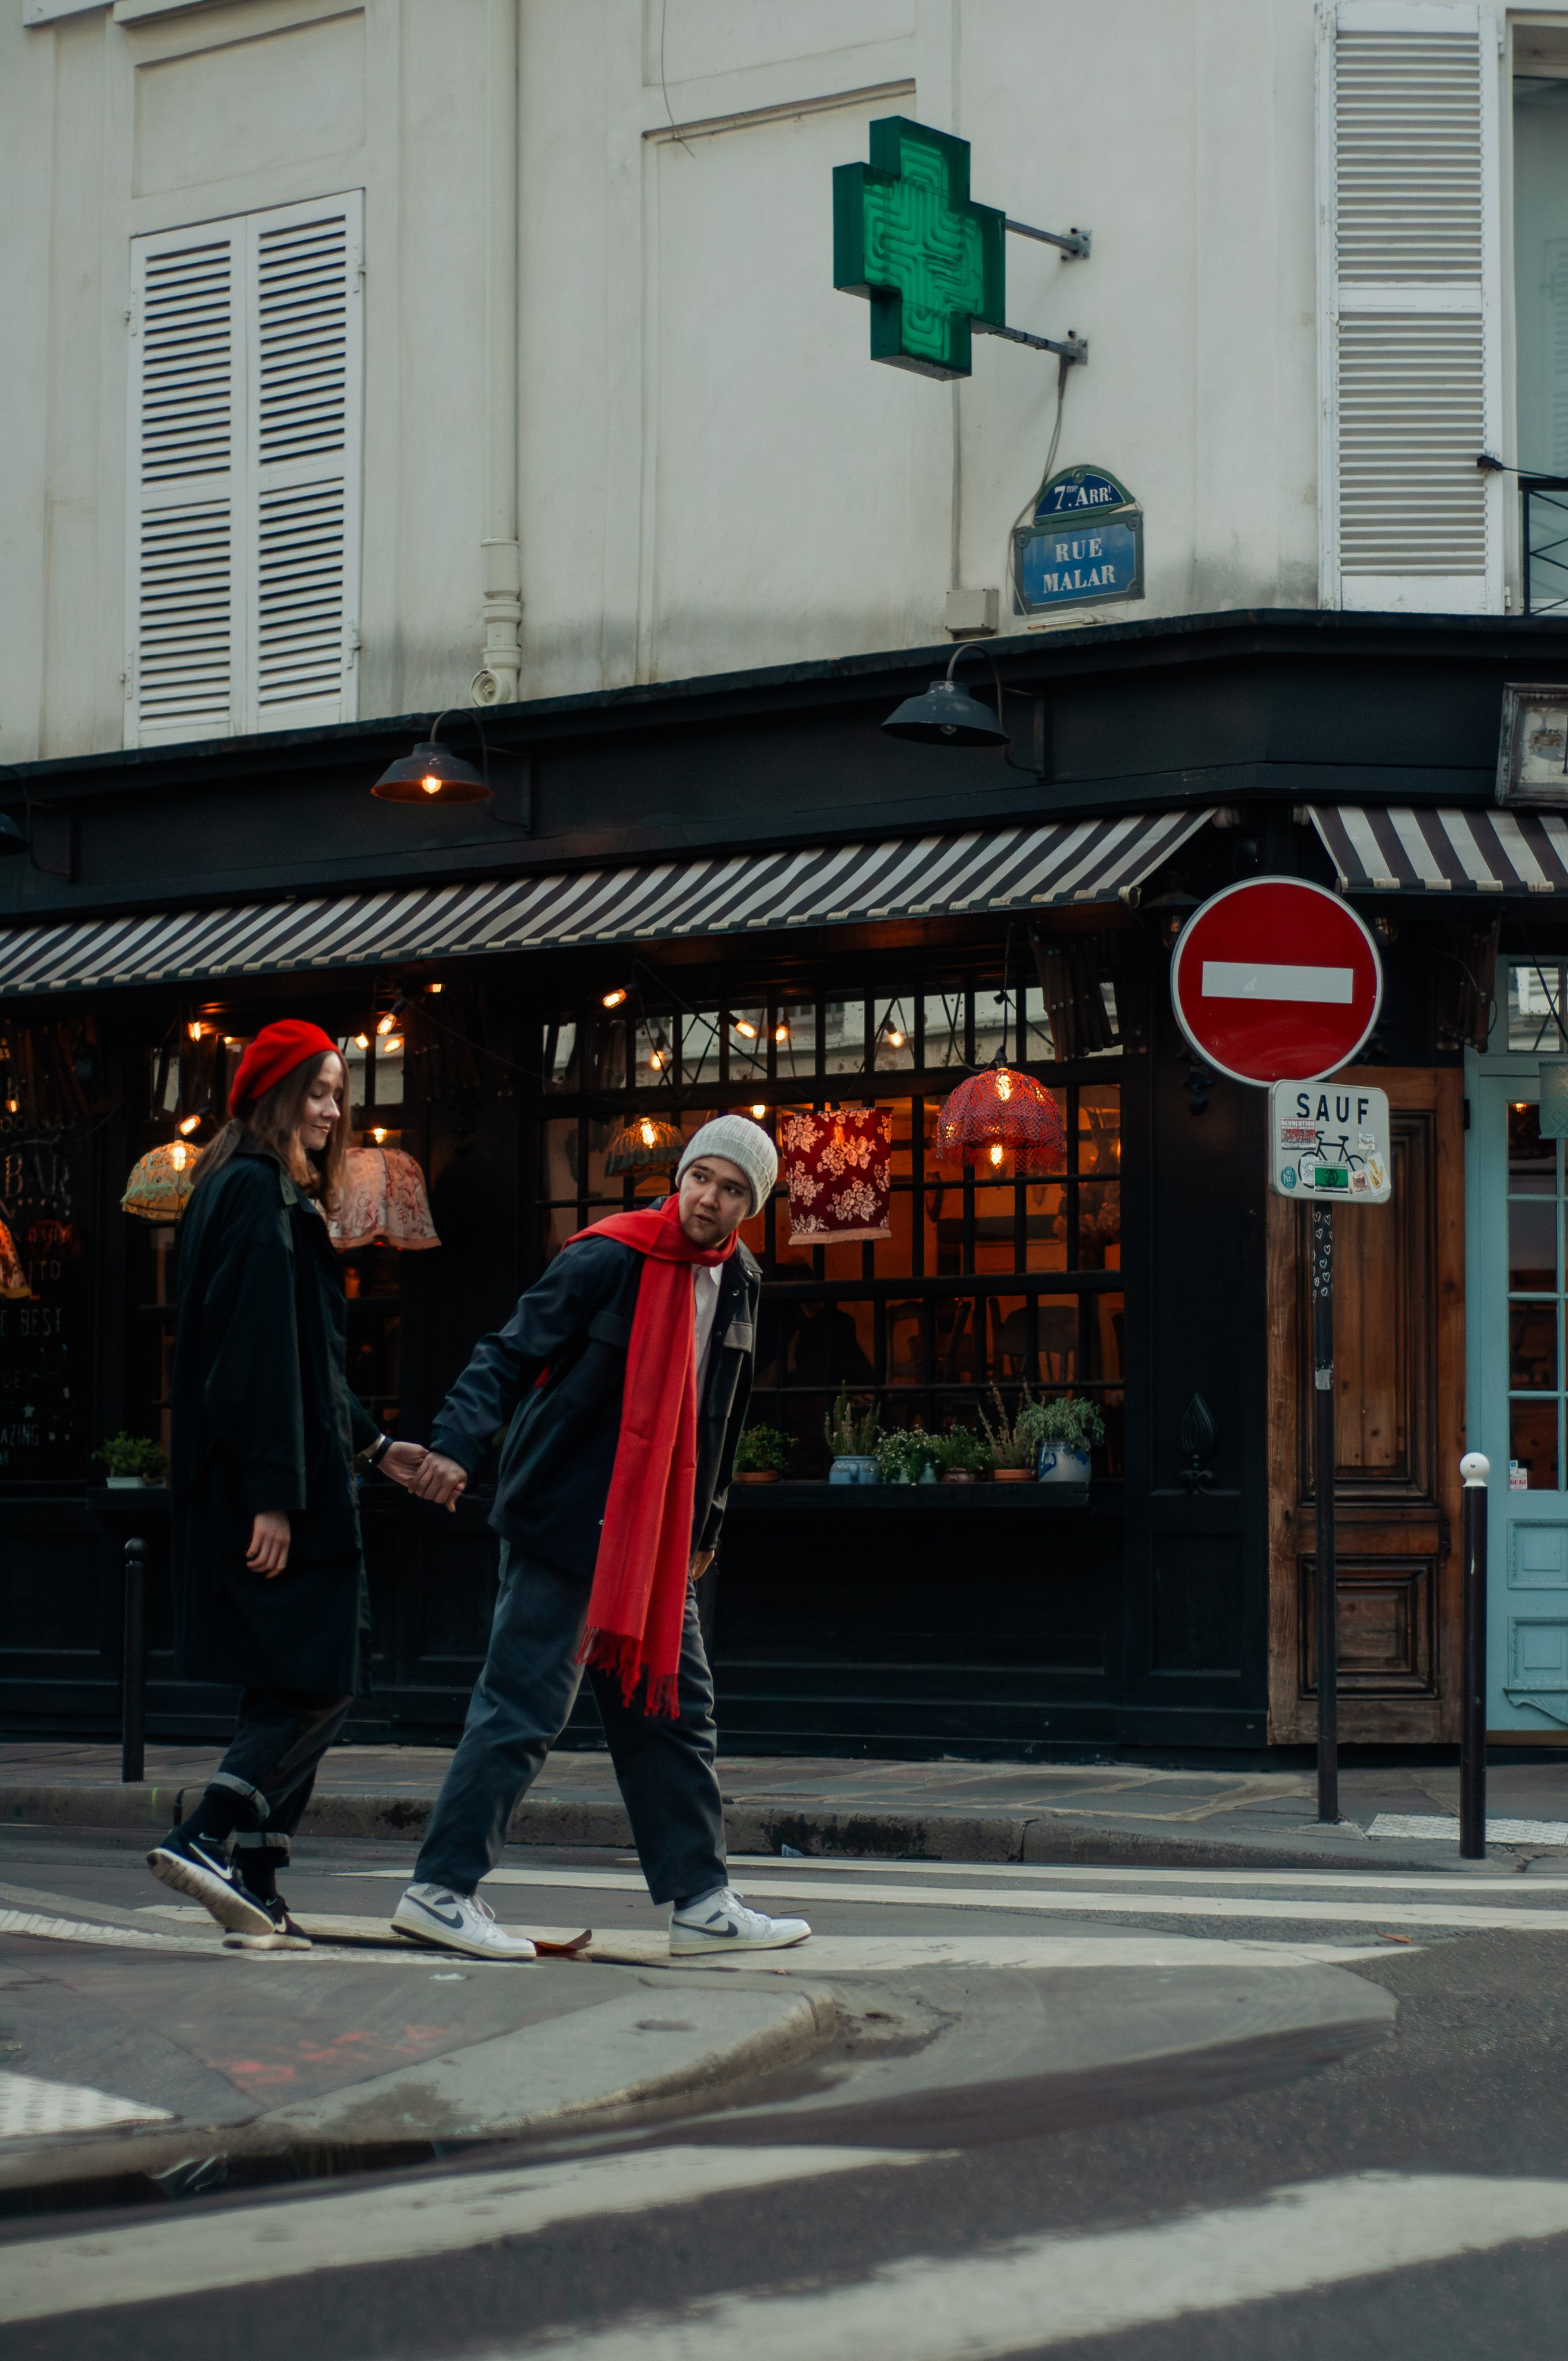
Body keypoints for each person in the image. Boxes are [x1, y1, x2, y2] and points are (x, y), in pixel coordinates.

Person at [391, 1116, 810, 1964]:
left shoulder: (742, 1278)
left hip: (658, 1540)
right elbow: (505, 1357)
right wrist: (452, 1447)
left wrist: (706, 1527)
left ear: (750, 1207)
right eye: (703, 1178)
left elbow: (719, 1413)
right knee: (524, 1709)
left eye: (733, 1190)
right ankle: (439, 1891)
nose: (711, 1199)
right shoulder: (606, 1255)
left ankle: (702, 1904)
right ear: (681, 1176)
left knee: (677, 1715)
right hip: (567, 1519)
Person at [148, 1020, 428, 1948]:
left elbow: (305, 1357)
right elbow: (259, 1359)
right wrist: (273, 1494)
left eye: (337, 1092)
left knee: (283, 1681)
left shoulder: (232, 1192)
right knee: (320, 1676)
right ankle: (205, 1838)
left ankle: (259, 1890)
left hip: (283, 1473)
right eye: (314, 1090)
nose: (330, 1109)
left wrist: (376, 1444)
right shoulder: (262, 1197)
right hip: (280, 1491)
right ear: (269, 1097)